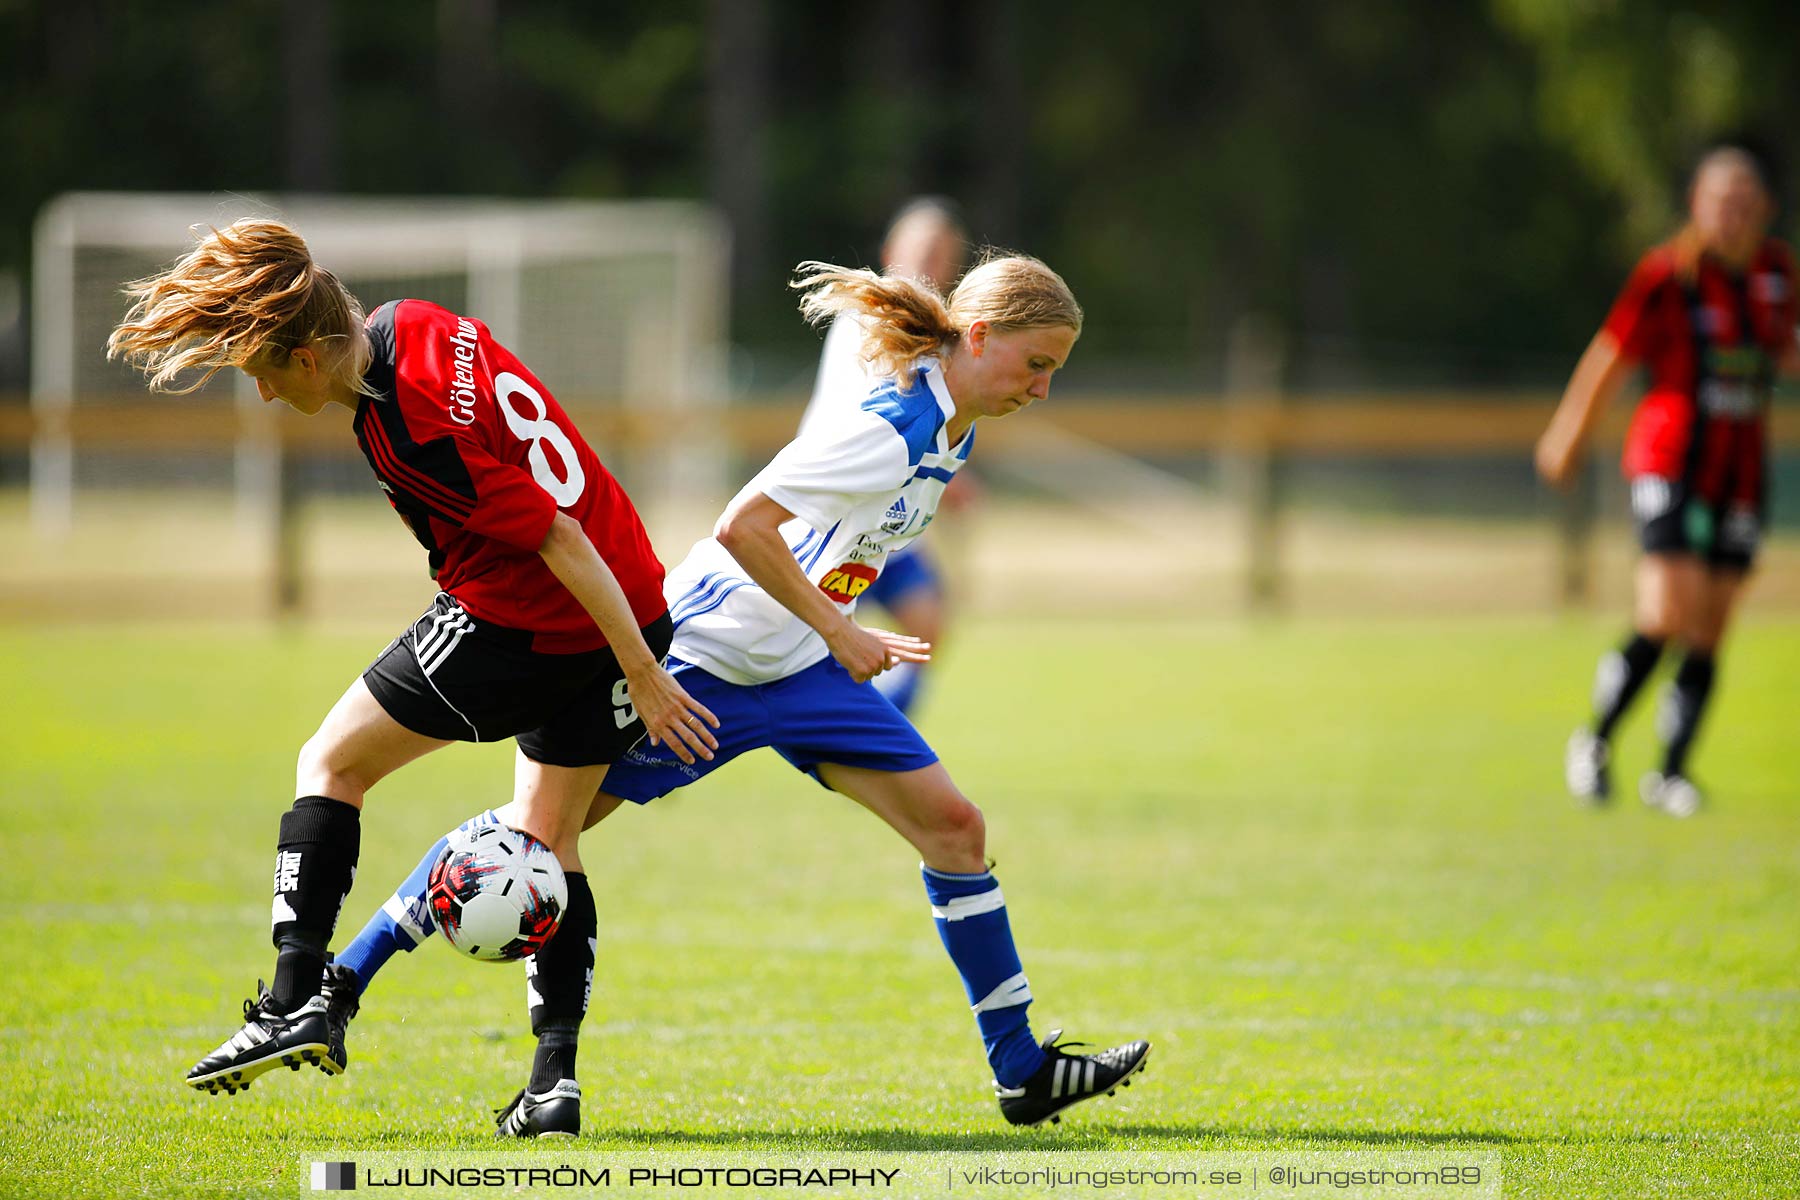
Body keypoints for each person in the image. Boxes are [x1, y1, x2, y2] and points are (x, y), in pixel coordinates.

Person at [332, 250, 1151, 1136]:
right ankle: (342, 985)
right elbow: (744, 525)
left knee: (956, 830)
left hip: (800, 674)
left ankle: (1022, 1071)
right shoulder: (889, 424)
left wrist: (831, 631)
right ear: (981, 336)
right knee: (539, 839)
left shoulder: (956, 433)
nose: (1042, 387)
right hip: (706, 662)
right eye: (1037, 365)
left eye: (1055, 373)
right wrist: (842, 629)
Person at [106, 217, 719, 1096]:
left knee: (330, 762)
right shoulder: (415, 320)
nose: (269, 398)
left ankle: (291, 1002)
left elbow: (558, 535)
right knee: (549, 838)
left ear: (309, 359)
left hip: (537, 626)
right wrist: (637, 651)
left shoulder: (409, 430)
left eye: (266, 376)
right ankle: (553, 1083)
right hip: (636, 596)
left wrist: (644, 676)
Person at [1537, 144, 1799, 816]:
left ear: (1765, 211)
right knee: (1666, 610)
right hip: (1669, 459)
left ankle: (1671, 774)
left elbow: (1783, 350)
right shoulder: (1669, 276)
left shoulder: (1776, 274)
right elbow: (1611, 354)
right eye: (1721, 203)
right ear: (1698, 208)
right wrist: (1569, 432)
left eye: (1746, 204)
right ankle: (1592, 742)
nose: (1733, 217)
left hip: (1739, 472)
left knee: (1711, 624)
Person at [802, 197, 973, 717]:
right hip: (830, 512)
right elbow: (885, 414)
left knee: (928, 623)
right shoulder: (869, 317)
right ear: (891, 252)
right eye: (923, 251)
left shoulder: (932, 336)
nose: (930, 265)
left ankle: (879, 725)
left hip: (884, 517)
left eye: (942, 256)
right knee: (798, 647)